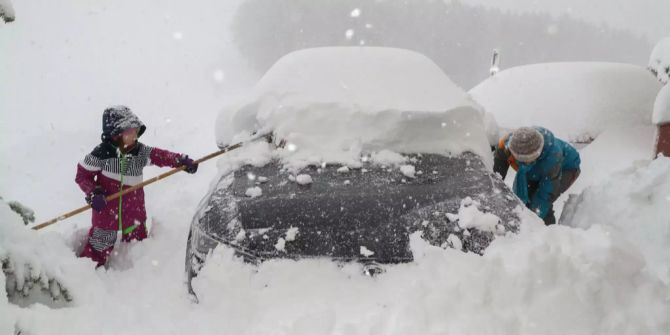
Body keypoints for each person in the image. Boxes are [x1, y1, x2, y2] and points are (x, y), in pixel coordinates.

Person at [75, 106, 199, 267]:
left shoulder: (139, 152)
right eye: (129, 131)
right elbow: (82, 175)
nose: (134, 135)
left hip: (133, 210)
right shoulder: (101, 154)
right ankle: (87, 271)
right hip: (106, 210)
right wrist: (93, 192)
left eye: (136, 131)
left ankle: (138, 271)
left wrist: (179, 161)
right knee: (100, 242)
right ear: (115, 134)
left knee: (137, 243)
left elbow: (159, 155)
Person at [493, 126, 580, 225]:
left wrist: (532, 221)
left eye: (528, 160)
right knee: (523, 203)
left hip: (567, 168)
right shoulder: (506, 145)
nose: (524, 163)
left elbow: (546, 195)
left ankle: (547, 232)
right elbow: (495, 176)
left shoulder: (552, 158)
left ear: (536, 155)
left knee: (540, 206)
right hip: (537, 169)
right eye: (521, 161)